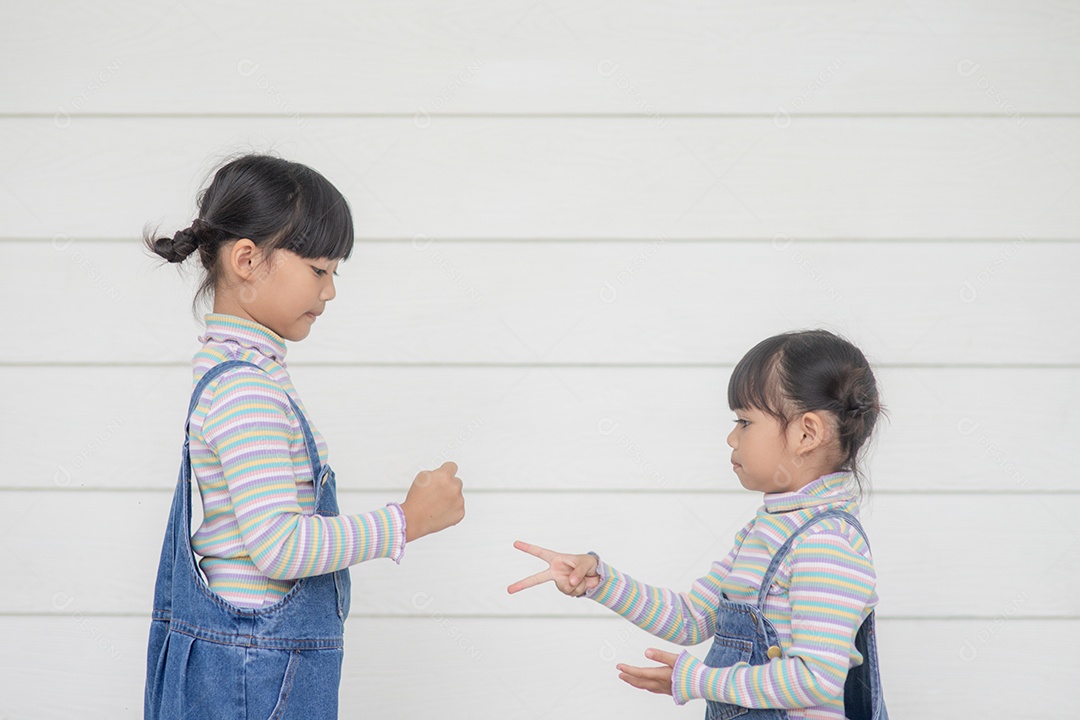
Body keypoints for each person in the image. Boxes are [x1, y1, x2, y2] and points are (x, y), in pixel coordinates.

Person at [142, 153, 465, 719]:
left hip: (247, 664)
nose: (331, 290)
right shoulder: (249, 392)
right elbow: (278, 547)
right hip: (258, 672)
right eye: (320, 269)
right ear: (248, 259)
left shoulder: (235, 374)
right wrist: (407, 521)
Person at [509, 329, 888, 719]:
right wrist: (600, 581)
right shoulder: (765, 532)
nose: (731, 437)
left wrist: (700, 681)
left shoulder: (826, 543)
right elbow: (690, 619)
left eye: (744, 422)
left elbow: (814, 678)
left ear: (806, 433)